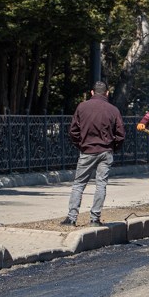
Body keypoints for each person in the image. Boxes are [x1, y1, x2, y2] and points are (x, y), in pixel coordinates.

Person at [63, 81, 125, 226]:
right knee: (101, 184)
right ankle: (95, 219)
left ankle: (71, 218)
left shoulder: (82, 106)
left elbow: (73, 131)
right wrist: (113, 148)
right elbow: (121, 134)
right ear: (107, 93)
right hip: (106, 151)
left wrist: (81, 145)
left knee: (78, 184)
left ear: (92, 92)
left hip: (87, 151)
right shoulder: (113, 110)